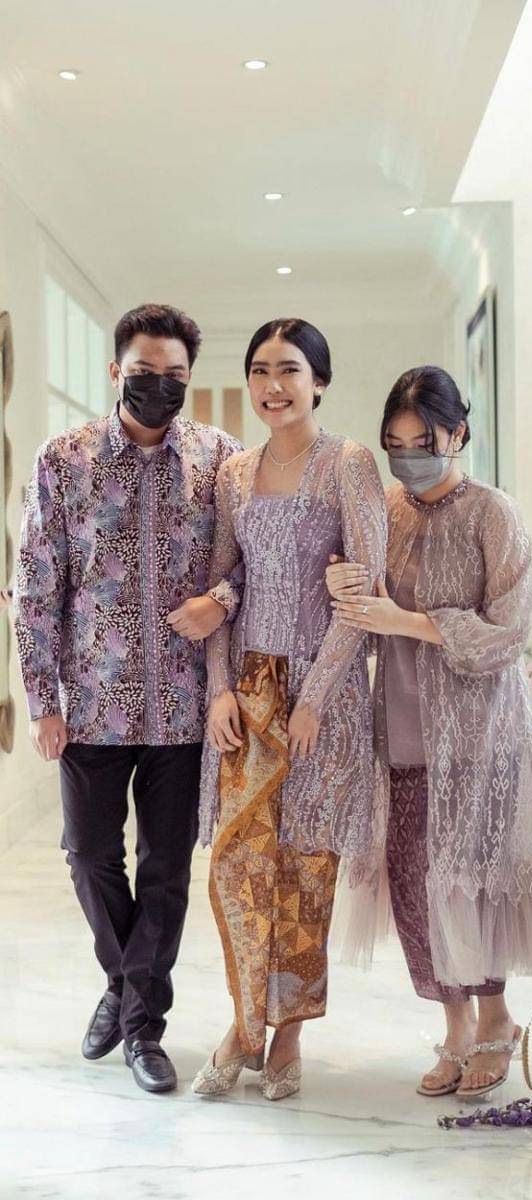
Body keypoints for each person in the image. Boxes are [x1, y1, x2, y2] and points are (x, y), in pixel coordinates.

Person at [13, 304, 243, 1093]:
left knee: (166, 870)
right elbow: (35, 588)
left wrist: (219, 599)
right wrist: (42, 700)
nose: (160, 386)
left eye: (176, 375)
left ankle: (143, 1027)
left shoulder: (220, 460)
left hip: (182, 706)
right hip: (92, 704)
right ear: (116, 372)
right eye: (146, 372)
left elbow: (252, 560)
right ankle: (126, 981)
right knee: (87, 855)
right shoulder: (63, 460)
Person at [327, 365, 532, 1100]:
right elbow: (358, 606)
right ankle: (455, 1025)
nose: (408, 458)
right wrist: (343, 586)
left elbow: (508, 632)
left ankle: (496, 1021)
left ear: (458, 433)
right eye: (395, 444)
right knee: (412, 882)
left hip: (478, 734)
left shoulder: (494, 514)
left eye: (423, 442)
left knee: (471, 881)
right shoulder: (385, 510)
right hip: (399, 727)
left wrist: (408, 621)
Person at [193, 318, 387, 1101]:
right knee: (239, 863)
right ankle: (244, 1024)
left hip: (323, 701)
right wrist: (218, 688)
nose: (274, 385)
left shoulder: (350, 464)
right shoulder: (234, 475)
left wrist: (314, 700)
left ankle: (288, 1035)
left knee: (306, 867)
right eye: (261, 370)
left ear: (320, 382)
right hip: (248, 690)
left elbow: (364, 591)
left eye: (291, 369)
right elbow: (219, 587)